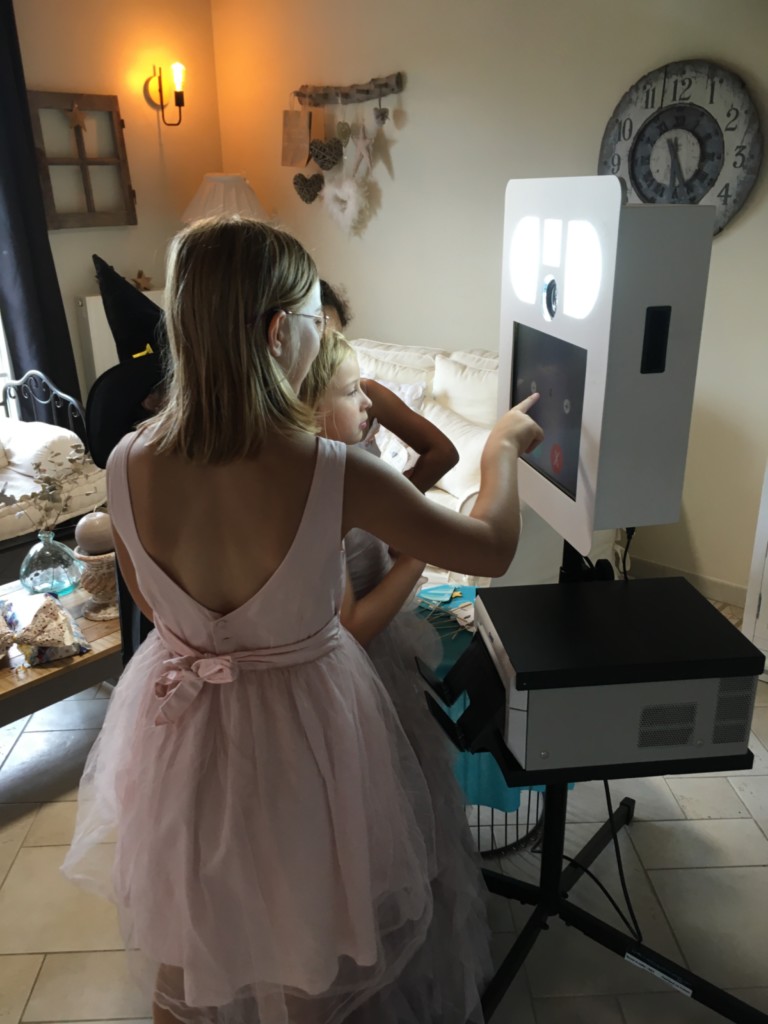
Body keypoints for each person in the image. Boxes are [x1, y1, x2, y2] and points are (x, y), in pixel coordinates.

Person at [61, 216, 542, 1024]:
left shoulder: (127, 462)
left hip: (182, 738)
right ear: (281, 331)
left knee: (192, 928)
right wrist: (501, 449)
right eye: (317, 320)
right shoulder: (328, 469)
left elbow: (151, 605)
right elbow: (490, 545)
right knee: (306, 942)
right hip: (305, 736)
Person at [302, 328, 495, 1020]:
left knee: (414, 809)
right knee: (368, 826)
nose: (367, 403)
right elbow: (351, 625)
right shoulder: (320, 483)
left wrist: (396, 519)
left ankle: (418, 947)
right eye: (351, 391)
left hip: (381, 661)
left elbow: (434, 456)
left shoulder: (350, 458)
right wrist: (414, 542)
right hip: (353, 677)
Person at [320, 280, 458, 495]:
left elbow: (443, 452)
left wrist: (396, 502)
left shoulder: (368, 393)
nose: (331, 353)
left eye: (338, 340)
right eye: (322, 342)